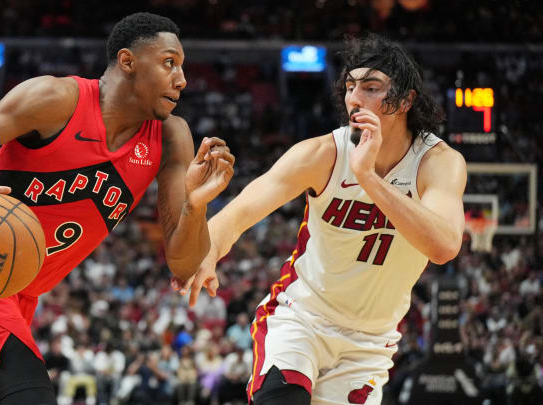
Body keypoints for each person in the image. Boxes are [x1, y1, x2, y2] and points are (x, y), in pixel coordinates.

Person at [0, 12, 235, 405]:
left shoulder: (170, 135)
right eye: (169, 63)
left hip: (18, 294)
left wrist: (196, 205)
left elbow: (182, 265)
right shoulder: (55, 100)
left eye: (182, 67)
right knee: (32, 395)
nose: (182, 80)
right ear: (128, 61)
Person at [176, 33, 467, 404]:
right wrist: (207, 248)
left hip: (368, 342)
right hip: (302, 319)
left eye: (372, 87)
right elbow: (237, 214)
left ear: (406, 100)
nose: (355, 97)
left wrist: (369, 179)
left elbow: (444, 247)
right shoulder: (320, 154)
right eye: (350, 86)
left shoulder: (438, 163)